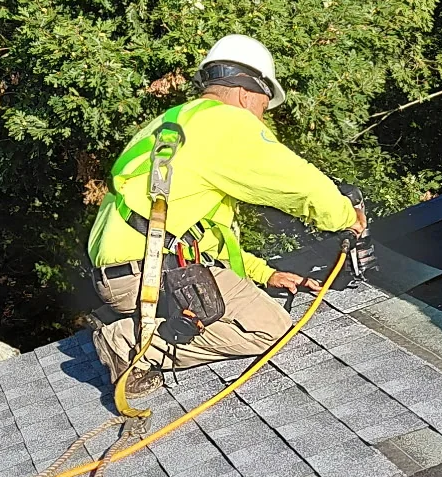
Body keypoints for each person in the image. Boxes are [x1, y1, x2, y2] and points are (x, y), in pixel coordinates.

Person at [87, 35, 366, 401]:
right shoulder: (228, 123)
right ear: (248, 92)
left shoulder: (170, 124)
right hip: (153, 276)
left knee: (243, 303)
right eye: (264, 106)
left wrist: (264, 273)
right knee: (271, 329)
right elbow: (298, 184)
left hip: (127, 274)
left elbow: (204, 239)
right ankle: (130, 342)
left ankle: (135, 320)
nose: (262, 116)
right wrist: (348, 215)